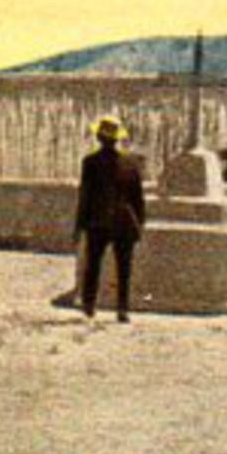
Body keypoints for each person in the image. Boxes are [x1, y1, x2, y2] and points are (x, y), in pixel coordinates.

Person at [74, 115, 145, 322]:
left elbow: (85, 195)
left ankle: (89, 305)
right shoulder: (131, 164)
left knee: (93, 265)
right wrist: (139, 225)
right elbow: (138, 199)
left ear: (99, 138)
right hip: (124, 222)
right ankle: (122, 309)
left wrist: (79, 225)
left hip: (97, 220)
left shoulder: (90, 162)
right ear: (116, 140)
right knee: (124, 268)